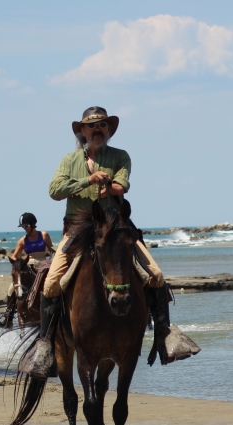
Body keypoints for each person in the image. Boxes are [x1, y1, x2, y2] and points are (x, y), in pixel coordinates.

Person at [33, 106, 199, 369]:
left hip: (114, 229)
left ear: (108, 130)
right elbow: (55, 190)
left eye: (102, 125)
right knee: (50, 283)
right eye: (92, 126)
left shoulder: (120, 156)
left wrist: (102, 186)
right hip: (77, 231)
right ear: (83, 131)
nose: (97, 130)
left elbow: (121, 186)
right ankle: (44, 346)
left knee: (155, 275)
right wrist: (88, 181)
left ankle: (164, 336)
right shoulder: (69, 161)